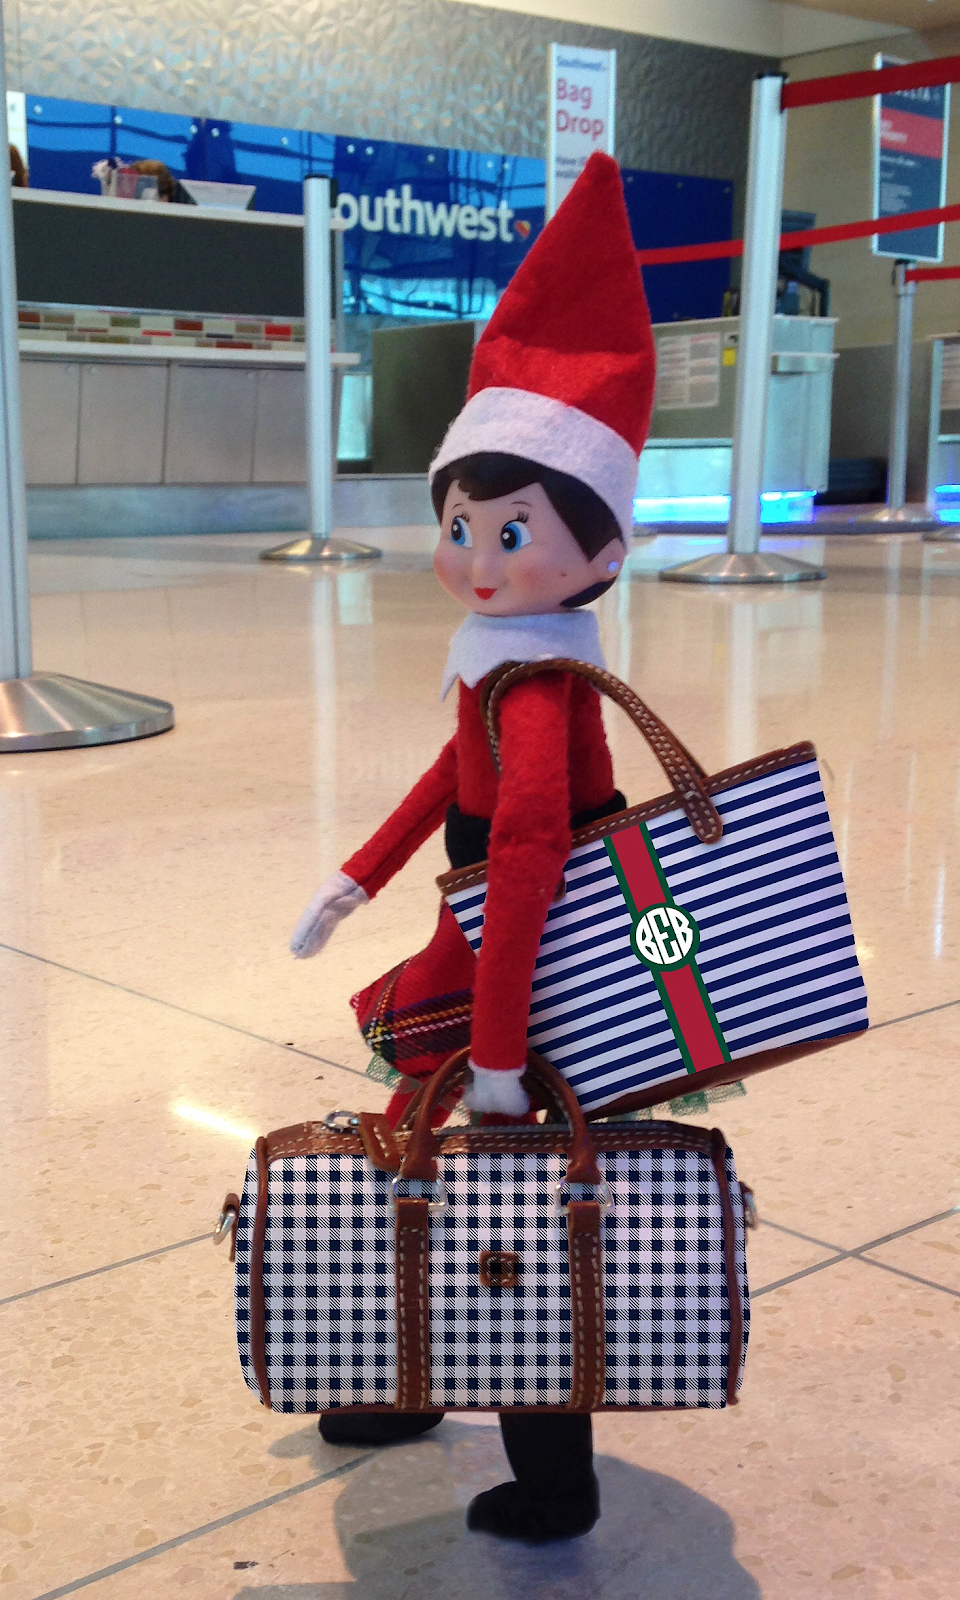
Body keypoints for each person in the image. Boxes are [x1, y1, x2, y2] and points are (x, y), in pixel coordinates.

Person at [288, 152, 655, 1543]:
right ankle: (414, 1376)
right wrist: (355, 877)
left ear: (602, 552)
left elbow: (531, 868)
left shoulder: (545, 691)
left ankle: (552, 1476)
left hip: (537, 979)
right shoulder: (501, 667)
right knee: (437, 1168)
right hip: (480, 953)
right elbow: (451, 780)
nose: (477, 558)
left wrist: (499, 1052)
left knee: (519, 1203)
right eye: (458, 526)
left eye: (511, 531)